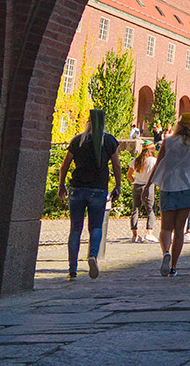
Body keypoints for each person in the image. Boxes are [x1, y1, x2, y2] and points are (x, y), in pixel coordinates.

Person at [57, 109, 123, 280]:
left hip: (77, 188)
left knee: (75, 229)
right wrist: (118, 185)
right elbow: (116, 165)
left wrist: (61, 185)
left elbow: (65, 165)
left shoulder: (78, 140)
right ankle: (92, 255)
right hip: (98, 189)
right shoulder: (108, 140)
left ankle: (72, 270)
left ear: (88, 122)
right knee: (96, 227)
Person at [149, 112, 190, 277]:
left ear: (178, 124)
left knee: (166, 228)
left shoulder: (169, 141)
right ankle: (173, 266)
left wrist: (147, 186)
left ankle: (166, 251)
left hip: (168, 186)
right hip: (187, 187)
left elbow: (158, 165)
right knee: (180, 230)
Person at [127, 141, 158, 242]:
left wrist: (134, 181)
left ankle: (135, 234)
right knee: (150, 210)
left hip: (137, 186)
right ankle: (149, 232)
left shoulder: (136, 160)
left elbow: (129, 175)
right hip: (148, 186)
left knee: (136, 209)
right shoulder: (154, 161)